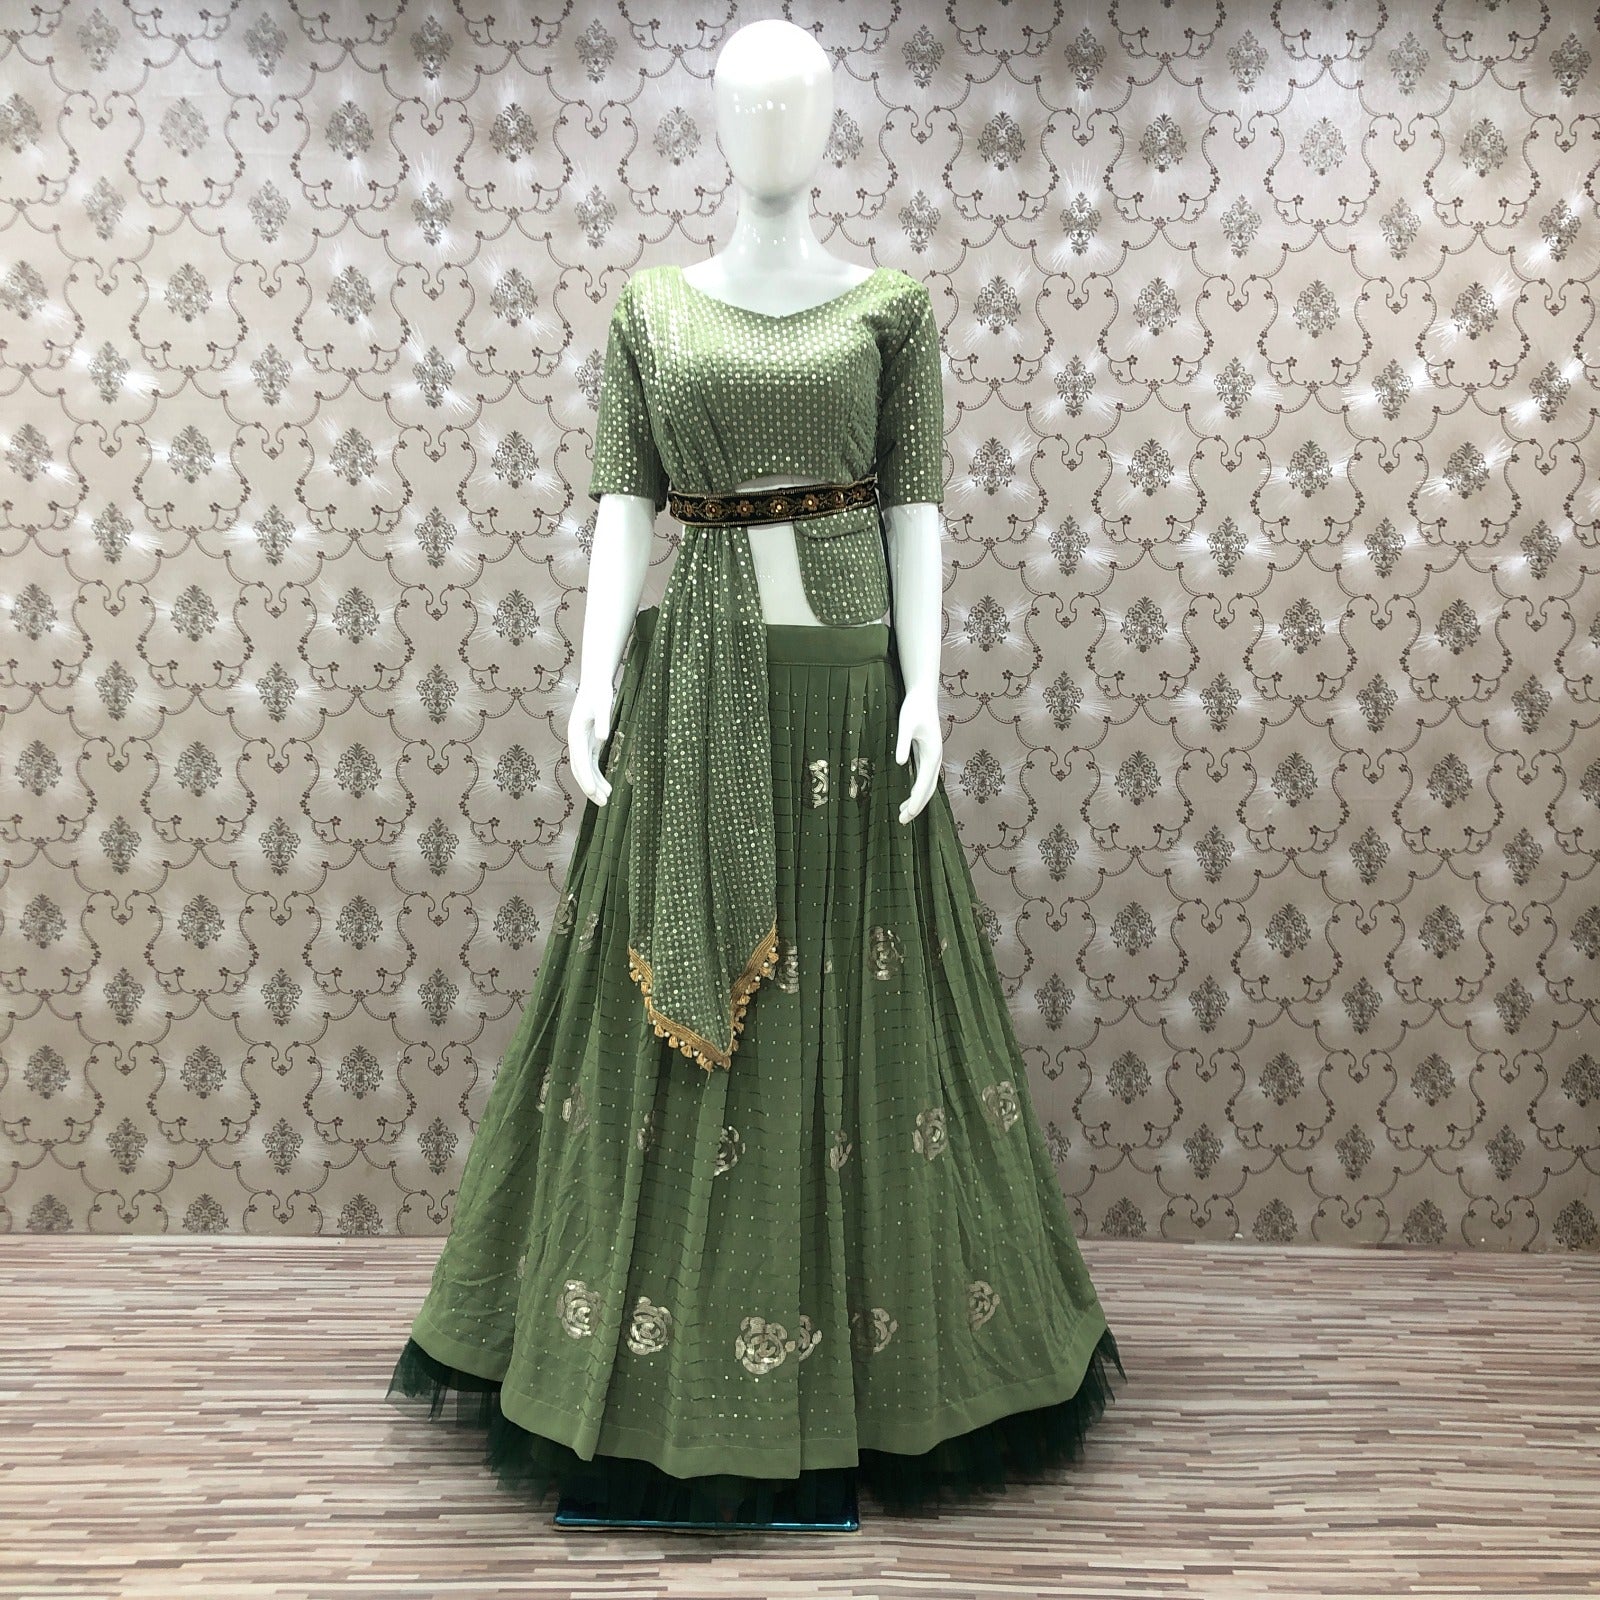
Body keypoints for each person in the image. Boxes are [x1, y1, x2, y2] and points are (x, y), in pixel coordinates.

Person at [385, 18, 1124, 1527]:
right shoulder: (651, 307)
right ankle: (648, 1383)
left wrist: (932, 689)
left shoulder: (893, 306)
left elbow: (915, 506)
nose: (770, 126)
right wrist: (592, 676)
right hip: (701, 692)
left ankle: (870, 1378)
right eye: (745, 104)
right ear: (716, 123)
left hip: (851, 698)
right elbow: (623, 504)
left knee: (865, 1007)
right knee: (669, 1015)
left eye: (796, 104)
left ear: (832, 122)